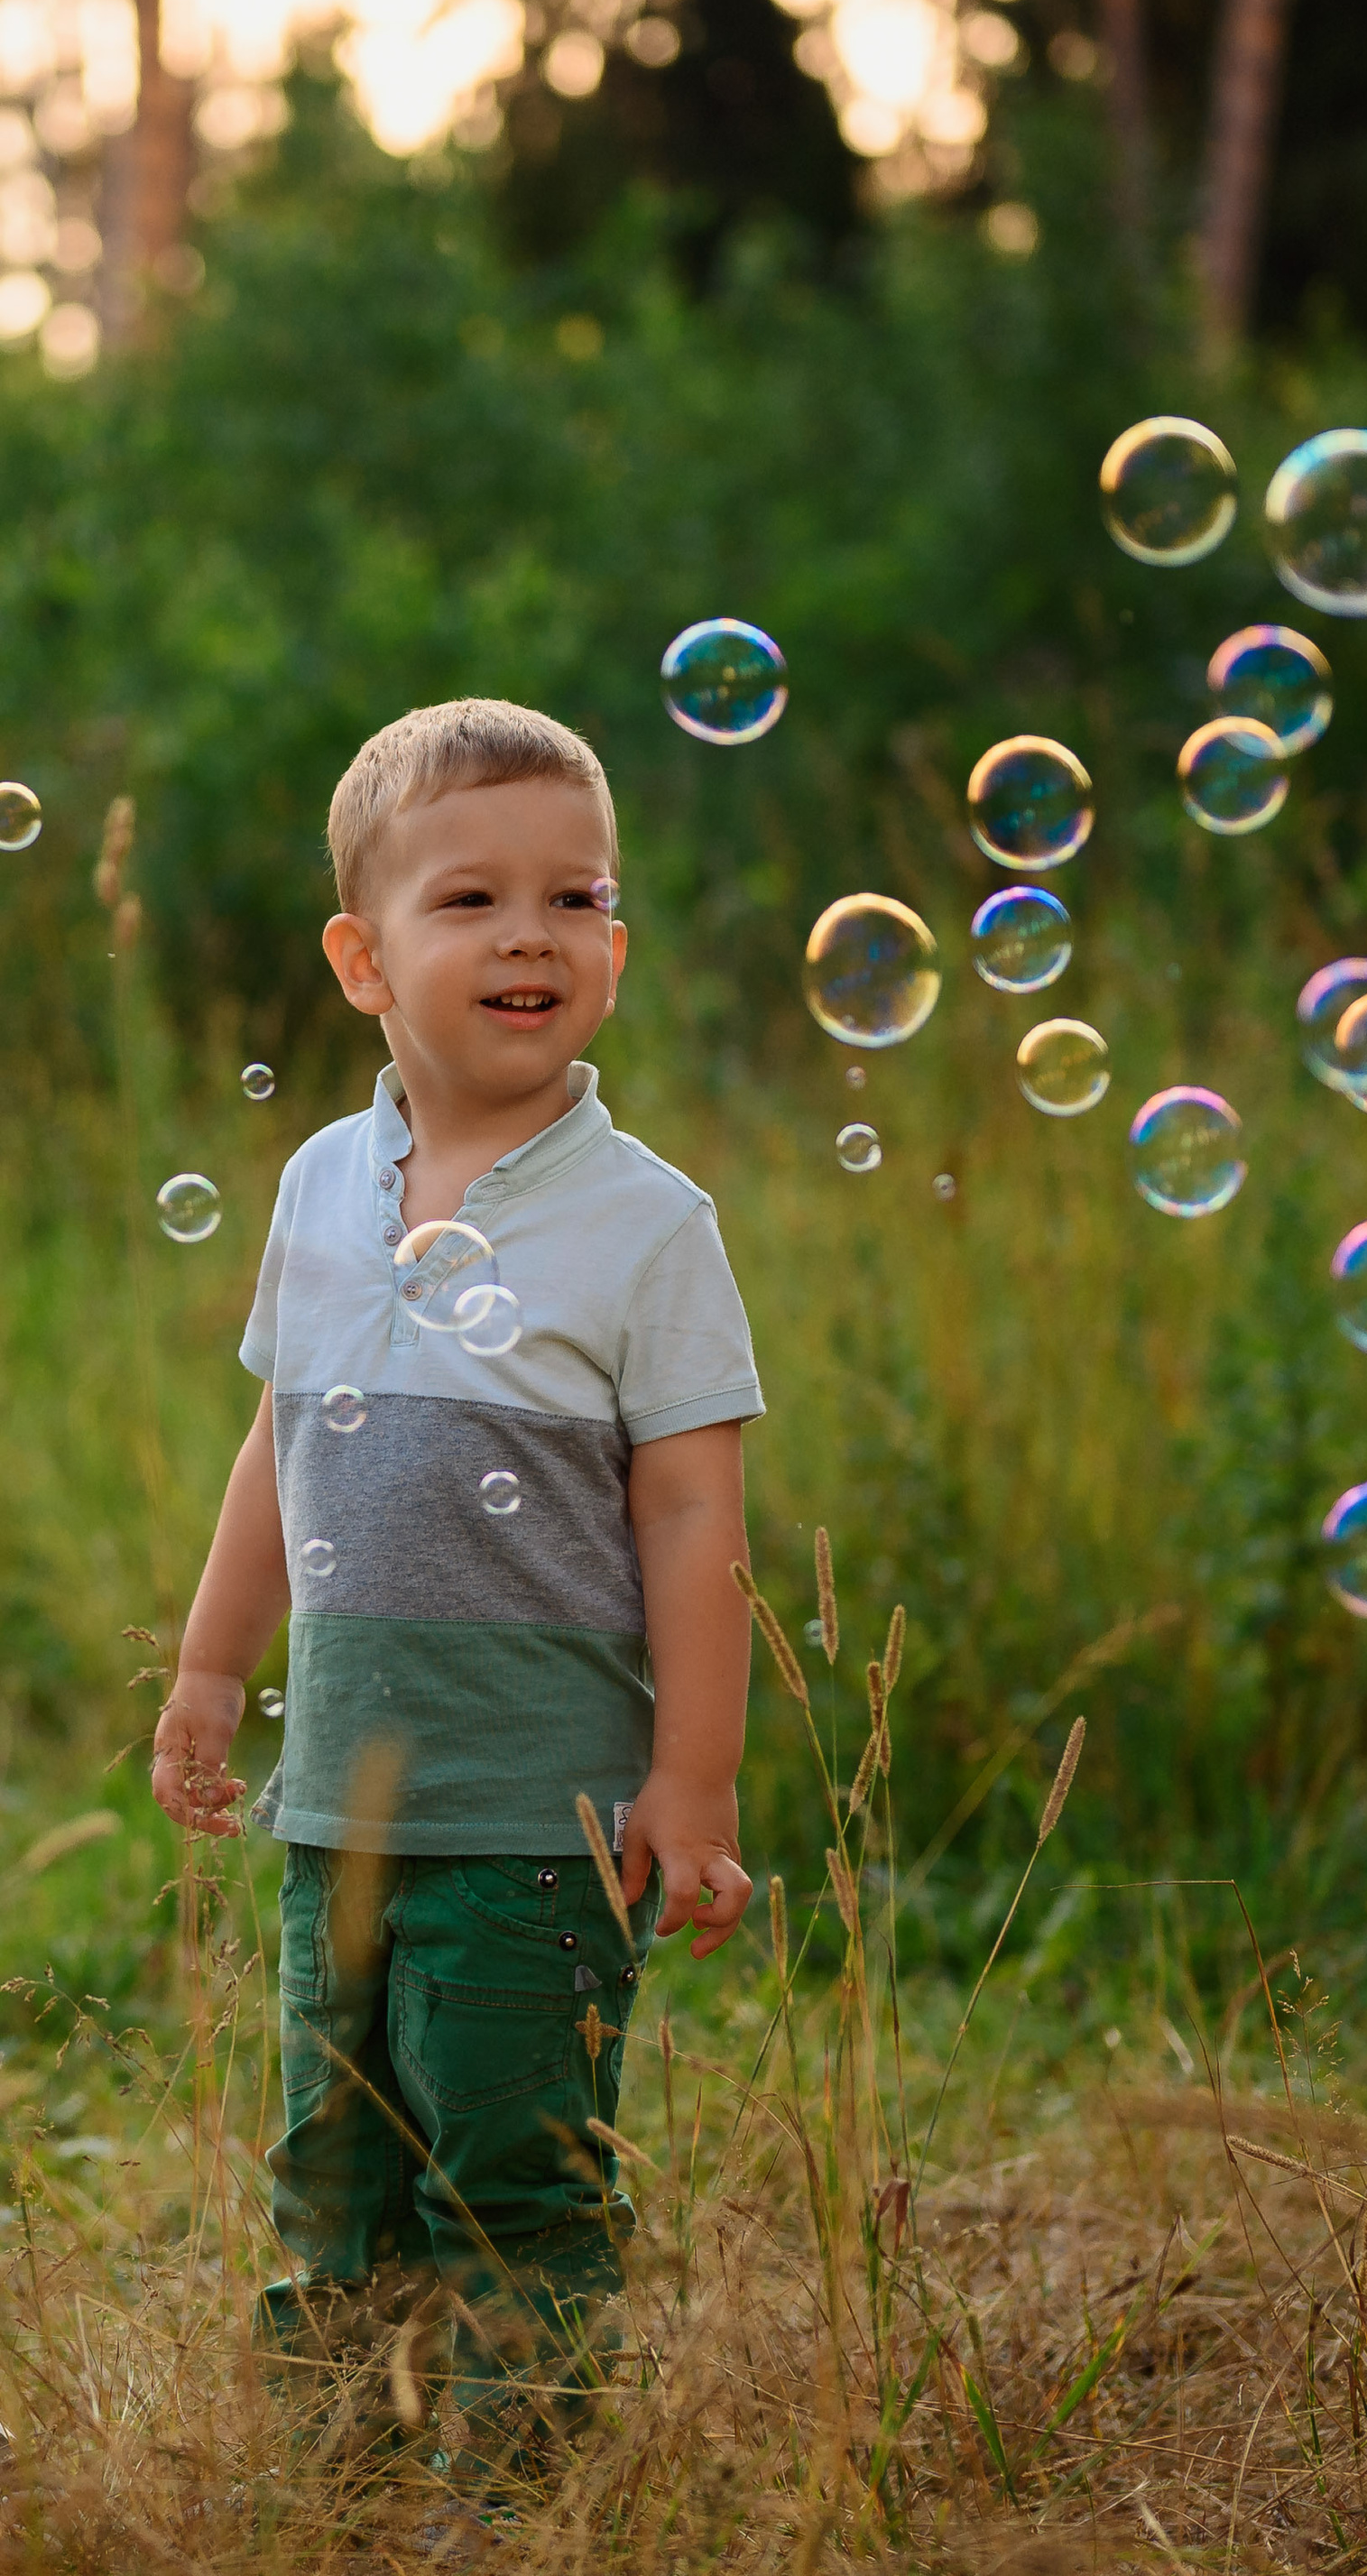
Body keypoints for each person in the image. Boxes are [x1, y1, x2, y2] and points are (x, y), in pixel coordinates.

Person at [149, 697, 761, 2490]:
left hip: (539, 1814)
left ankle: (510, 2501)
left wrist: (695, 1778)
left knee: (509, 2167)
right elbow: (283, 1438)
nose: (529, 935)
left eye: (575, 897)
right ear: (363, 957)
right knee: (332, 2158)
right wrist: (207, 1670)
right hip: (340, 1797)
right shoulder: (321, 1187)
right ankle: (339, 2473)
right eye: (470, 898)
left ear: (617, 942)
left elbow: (692, 1506)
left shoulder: (648, 1221)